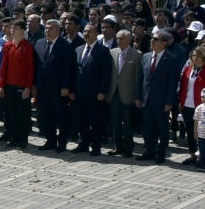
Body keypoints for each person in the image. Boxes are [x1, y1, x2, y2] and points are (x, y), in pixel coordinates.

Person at [33, 18, 76, 152]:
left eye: (51, 28)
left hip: (59, 88)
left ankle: (62, 142)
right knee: (46, 116)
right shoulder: (39, 43)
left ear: (58, 30)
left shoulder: (66, 46)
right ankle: (50, 140)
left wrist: (66, 86)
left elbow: (69, 68)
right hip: (42, 87)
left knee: (61, 116)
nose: (47, 31)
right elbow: (36, 65)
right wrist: (34, 84)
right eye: (46, 28)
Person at [72, 20, 113, 154]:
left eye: (89, 31)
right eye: (85, 31)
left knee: (96, 121)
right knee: (81, 120)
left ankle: (96, 146)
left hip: (95, 93)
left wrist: (102, 91)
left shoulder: (103, 51)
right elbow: (74, 72)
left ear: (96, 34)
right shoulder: (78, 49)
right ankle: (83, 143)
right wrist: (72, 90)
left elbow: (106, 73)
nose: (86, 33)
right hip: (79, 92)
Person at [140, 31, 178, 163]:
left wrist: (169, 101)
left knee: (162, 127)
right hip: (146, 99)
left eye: (155, 39)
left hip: (162, 100)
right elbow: (141, 78)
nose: (152, 41)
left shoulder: (171, 59)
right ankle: (149, 150)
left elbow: (172, 83)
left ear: (164, 44)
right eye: (152, 39)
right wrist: (138, 96)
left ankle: (161, 153)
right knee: (147, 127)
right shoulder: (146, 57)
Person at [0, 18, 36, 149]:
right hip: (9, 84)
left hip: (21, 86)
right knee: (11, 112)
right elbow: (3, 66)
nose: (12, 31)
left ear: (22, 31)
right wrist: (1, 85)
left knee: (23, 113)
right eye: (12, 28)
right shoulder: (7, 45)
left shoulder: (28, 47)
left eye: (15, 28)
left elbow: (30, 68)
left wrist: (28, 88)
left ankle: (23, 139)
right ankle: (14, 137)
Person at [109, 28, 141, 157]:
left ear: (129, 40)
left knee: (127, 123)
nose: (119, 41)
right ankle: (118, 146)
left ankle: (129, 147)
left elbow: (138, 77)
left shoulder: (137, 54)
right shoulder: (112, 52)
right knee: (115, 122)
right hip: (114, 93)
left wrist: (137, 95)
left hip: (128, 94)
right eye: (117, 38)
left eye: (122, 38)